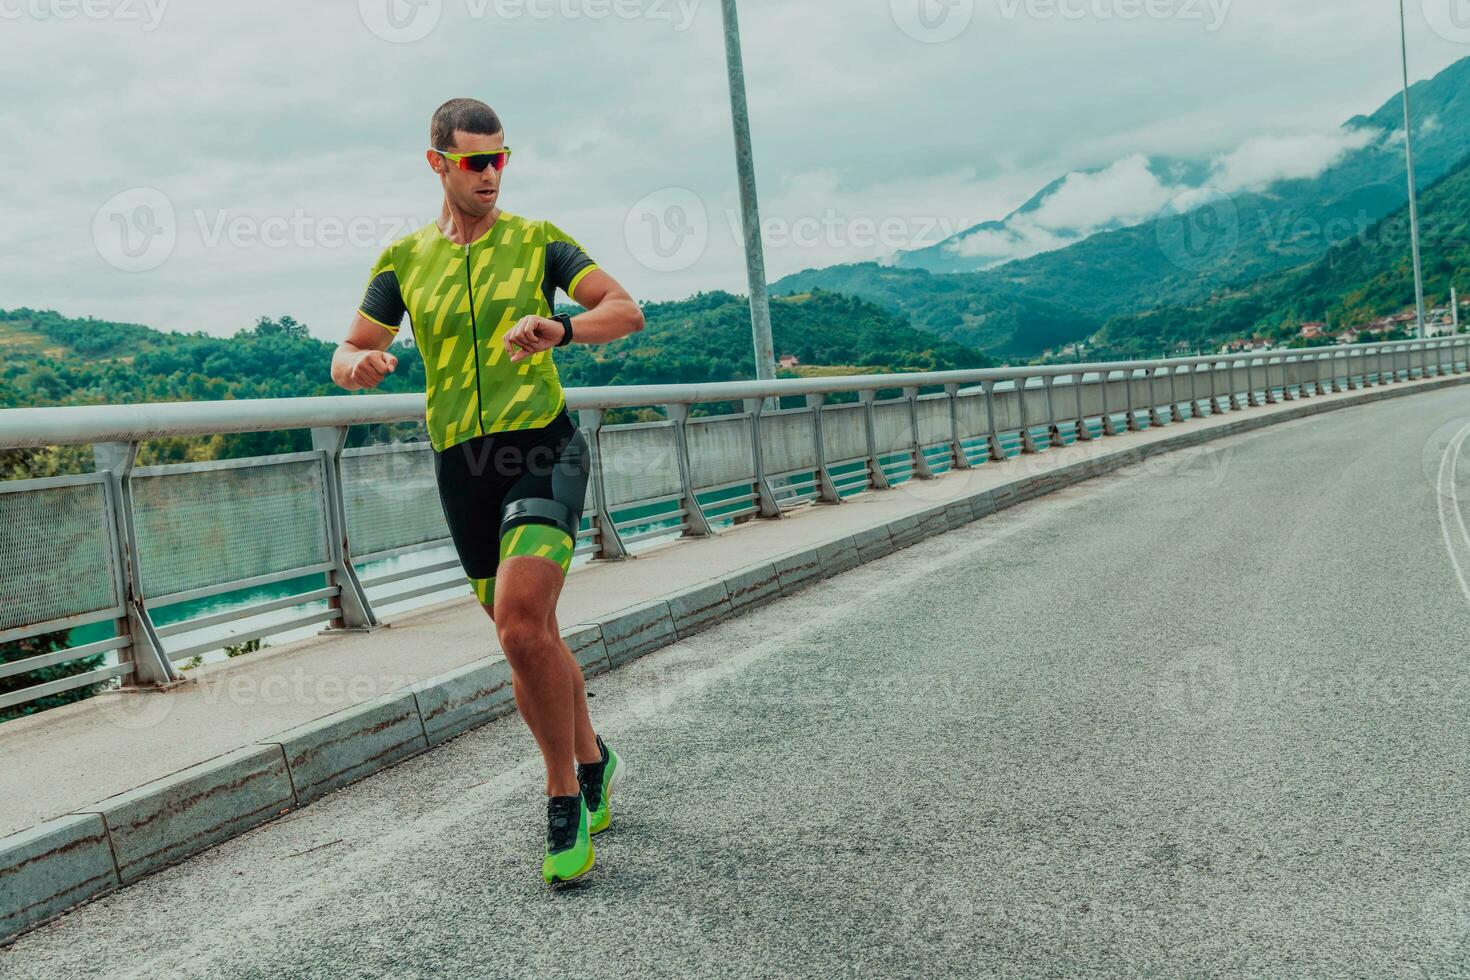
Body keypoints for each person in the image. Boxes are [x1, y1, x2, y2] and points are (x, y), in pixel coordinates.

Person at [330, 97, 644, 884]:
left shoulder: (540, 243)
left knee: (517, 628)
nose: (492, 174)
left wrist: (560, 330)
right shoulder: (403, 259)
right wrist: (356, 366)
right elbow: (350, 346)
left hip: (541, 448)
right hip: (462, 468)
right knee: (532, 636)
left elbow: (624, 309)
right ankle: (595, 756)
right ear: (437, 163)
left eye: (501, 158)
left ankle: (563, 797)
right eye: (476, 161)